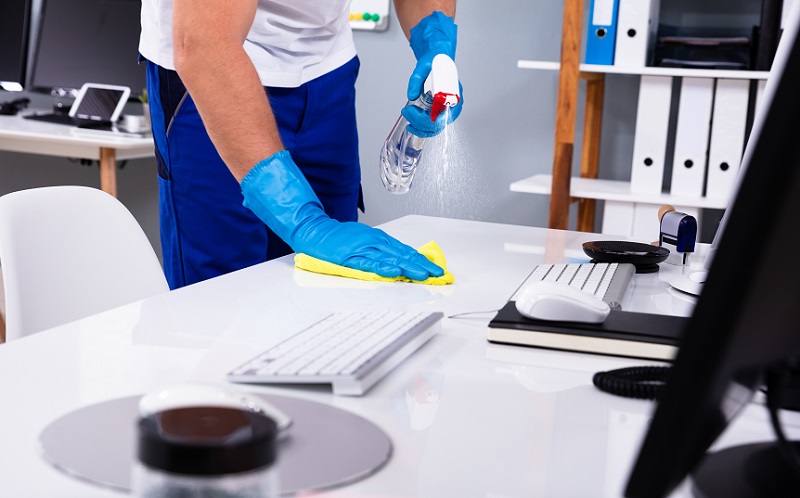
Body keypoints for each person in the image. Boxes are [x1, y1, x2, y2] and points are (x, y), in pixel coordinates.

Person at [138, 1, 462, 289]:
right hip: (214, 67)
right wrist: (305, 222)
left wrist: (435, 40)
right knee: (222, 299)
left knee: (333, 284)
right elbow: (205, 46)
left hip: (326, 67)